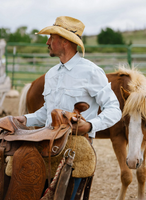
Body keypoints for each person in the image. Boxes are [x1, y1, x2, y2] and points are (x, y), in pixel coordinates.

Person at [15, 16, 122, 199]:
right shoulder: (51, 75)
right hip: (47, 146)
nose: (47, 42)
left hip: (76, 150)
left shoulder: (91, 72)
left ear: (64, 41)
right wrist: (26, 119)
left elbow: (114, 109)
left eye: (51, 37)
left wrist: (89, 126)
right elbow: (46, 112)